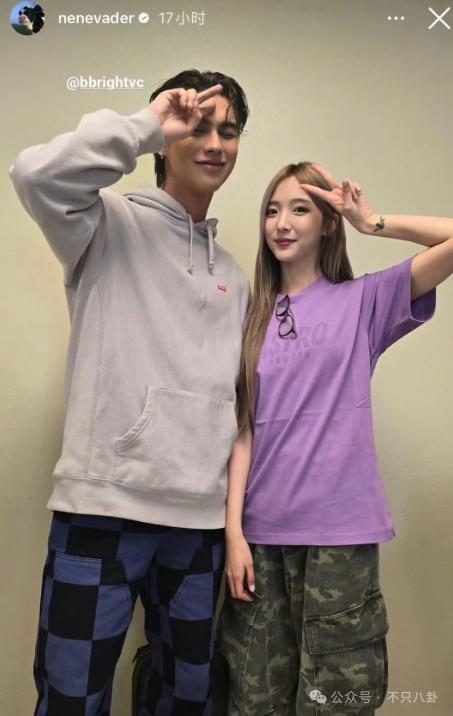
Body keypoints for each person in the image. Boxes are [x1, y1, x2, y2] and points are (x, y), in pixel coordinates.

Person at [9, 69, 250, 715]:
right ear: (166, 139)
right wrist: (145, 125)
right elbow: (34, 174)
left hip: (198, 524)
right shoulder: (103, 222)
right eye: (198, 127)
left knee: (187, 698)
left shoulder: (234, 275)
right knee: (72, 698)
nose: (214, 143)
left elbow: (237, 399)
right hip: (101, 509)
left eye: (228, 131)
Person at [218, 161, 453, 715]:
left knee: (336, 703)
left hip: (339, 540)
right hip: (261, 541)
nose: (281, 223)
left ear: (327, 224)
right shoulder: (250, 317)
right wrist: (233, 533)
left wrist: (371, 222)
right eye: (272, 211)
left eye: (299, 209)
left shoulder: (363, 302)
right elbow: (243, 431)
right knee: (255, 701)